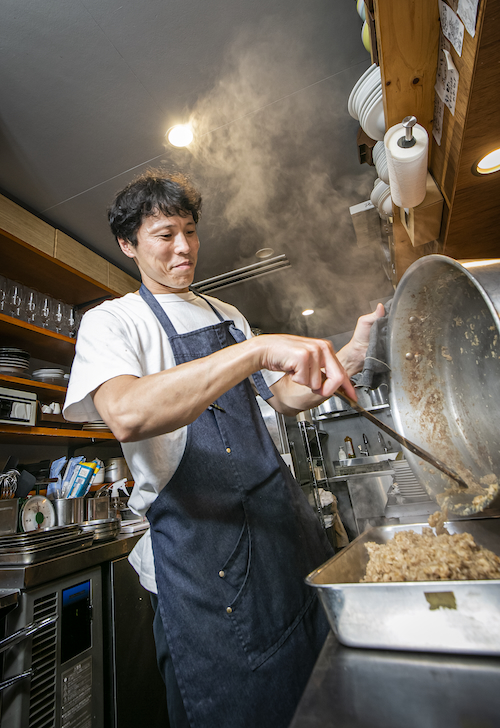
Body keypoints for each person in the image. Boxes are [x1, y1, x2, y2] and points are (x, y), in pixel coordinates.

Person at [63, 170, 384, 728]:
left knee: (311, 695)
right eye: (164, 234)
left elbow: (280, 399)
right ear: (127, 244)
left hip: (277, 538)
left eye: (189, 230)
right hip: (202, 562)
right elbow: (128, 412)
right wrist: (256, 351)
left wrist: (347, 358)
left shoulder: (224, 315)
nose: (184, 246)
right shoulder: (112, 322)